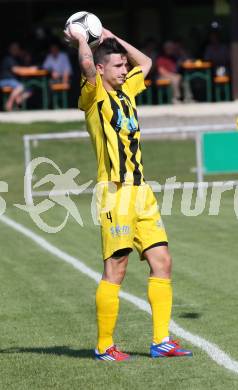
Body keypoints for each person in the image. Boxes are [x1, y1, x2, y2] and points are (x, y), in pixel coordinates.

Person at [65, 25, 193, 361]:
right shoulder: (94, 95)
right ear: (103, 69)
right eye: (119, 66)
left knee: (162, 261)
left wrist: (112, 36)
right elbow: (88, 68)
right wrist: (83, 41)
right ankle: (104, 345)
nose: (126, 70)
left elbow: (147, 62)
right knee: (116, 268)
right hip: (115, 194)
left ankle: (161, 341)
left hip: (141, 192)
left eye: (125, 66)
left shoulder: (127, 91)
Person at [0, 42, 32, 111]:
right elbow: (16, 70)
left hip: (14, 81)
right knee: (20, 87)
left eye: (17, 49)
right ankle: (9, 103)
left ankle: (18, 101)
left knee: (29, 90)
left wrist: (26, 60)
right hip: (5, 80)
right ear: (10, 49)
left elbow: (22, 68)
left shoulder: (17, 58)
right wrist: (30, 69)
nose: (16, 50)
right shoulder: (8, 58)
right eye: (15, 49)